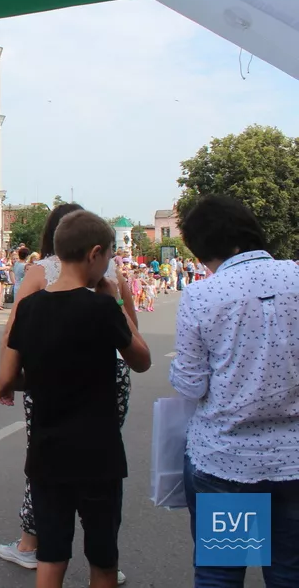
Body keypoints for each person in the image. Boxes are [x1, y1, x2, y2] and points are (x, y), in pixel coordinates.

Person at [0, 210, 150, 588]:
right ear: (95, 254)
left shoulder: (31, 307)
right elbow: (141, 360)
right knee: (102, 558)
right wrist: (114, 302)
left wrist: (37, 379)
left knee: (51, 555)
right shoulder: (101, 308)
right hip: (99, 453)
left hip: (48, 453)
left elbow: (7, 379)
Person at [170, 196, 299, 587]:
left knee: (222, 573)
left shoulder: (202, 295)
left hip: (228, 462)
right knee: (290, 572)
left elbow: (191, 384)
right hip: (294, 460)